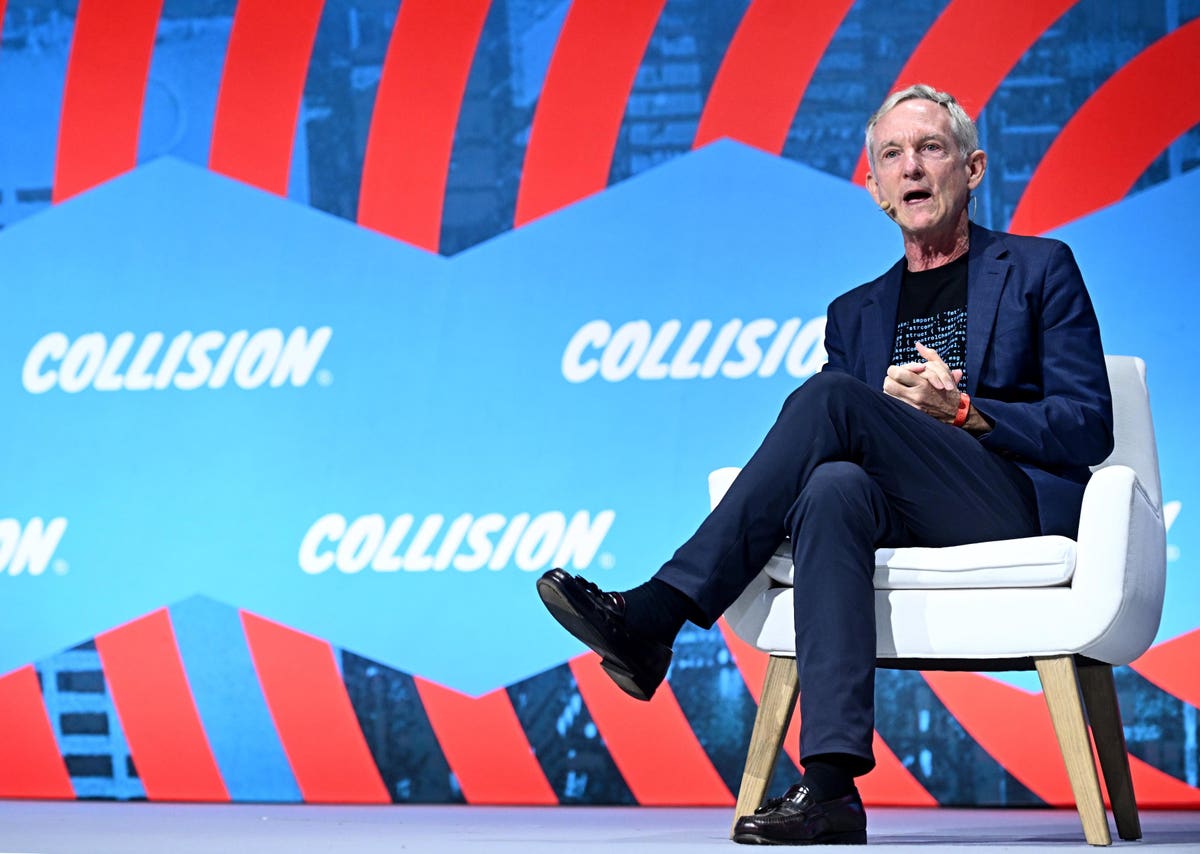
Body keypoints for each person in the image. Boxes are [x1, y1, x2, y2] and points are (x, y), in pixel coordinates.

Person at [537, 84, 1113, 846]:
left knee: (834, 398)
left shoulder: (1039, 268)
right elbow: (839, 446)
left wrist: (966, 414)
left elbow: (1089, 424)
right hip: (902, 511)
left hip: (1007, 505)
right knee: (833, 488)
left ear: (972, 169)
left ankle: (659, 612)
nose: (912, 167)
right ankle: (832, 787)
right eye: (892, 155)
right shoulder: (854, 312)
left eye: (931, 148)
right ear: (874, 187)